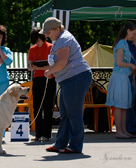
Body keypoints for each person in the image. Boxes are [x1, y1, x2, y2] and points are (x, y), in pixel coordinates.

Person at [42, 17, 92, 153]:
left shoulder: (63, 39)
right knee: (65, 113)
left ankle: (75, 146)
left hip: (76, 78)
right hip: (71, 80)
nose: (47, 35)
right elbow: (59, 62)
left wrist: (49, 72)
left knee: (74, 113)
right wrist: (50, 70)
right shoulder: (60, 39)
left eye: (49, 32)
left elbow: (62, 62)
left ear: (58, 29)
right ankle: (61, 144)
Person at [106, 22, 136, 139]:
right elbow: (119, 62)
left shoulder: (124, 43)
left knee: (124, 106)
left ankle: (124, 130)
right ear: (128, 30)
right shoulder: (121, 43)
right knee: (120, 106)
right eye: (133, 33)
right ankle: (119, 131)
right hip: (119, 78)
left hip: (124, 77)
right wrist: (131, 65)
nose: (134, 36)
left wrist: (131, 66)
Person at [27, 27, 56, 142]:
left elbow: (52, 65)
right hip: (37, 79)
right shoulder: (32, 49)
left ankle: (47, 134)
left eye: (39, 40)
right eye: (36, 41)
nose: (38, 43)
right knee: (36, 107)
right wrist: (32, 67)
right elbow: (29, 66)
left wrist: (40, 67)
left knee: (48, 107)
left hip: (49, 78)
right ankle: (38, 134)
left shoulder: (51, 47)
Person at [126, 28, 136, 135]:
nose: (132, 36)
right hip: (133, 75)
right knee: (130, 101)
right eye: (132, 34)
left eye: (135, 34)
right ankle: (132, 127)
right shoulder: (127, 45)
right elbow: (126, 59)